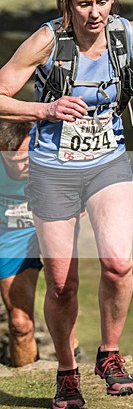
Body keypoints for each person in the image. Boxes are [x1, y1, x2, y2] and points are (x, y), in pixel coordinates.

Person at [0, 0, 133, 409]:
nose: (95, 13)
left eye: (103, 2)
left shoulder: (123, 34)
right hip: (53, 172)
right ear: (66, 2)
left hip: (108, 163)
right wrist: (43, 108)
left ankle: (109, 356)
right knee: (61, 283)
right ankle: (67, 372)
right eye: (84, 3)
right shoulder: (46, 42)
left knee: (118, 263)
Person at [0, 121, 43, 367]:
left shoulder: (53, 152)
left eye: (26, 158)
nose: (20, 166)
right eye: (11, 160)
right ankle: (26, 383)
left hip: (55, 230)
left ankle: (73, 352)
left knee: (65, 293)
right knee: (19, 324)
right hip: (11, 238)